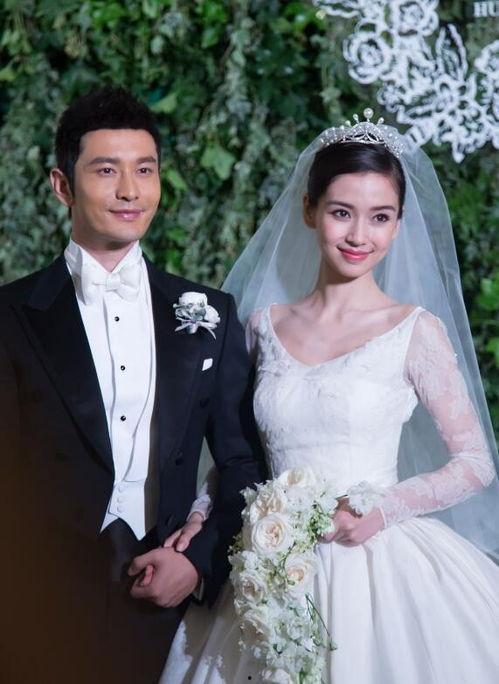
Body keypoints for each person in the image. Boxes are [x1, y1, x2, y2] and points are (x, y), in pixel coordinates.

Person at [160, 111, 499, 683]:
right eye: (342, 212)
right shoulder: (263, 326)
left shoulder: (414, 331)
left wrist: (381, 511)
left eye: (380, 217)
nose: (359, 235)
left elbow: (475, 462)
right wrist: (200, 514)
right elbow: (239, 454)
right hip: (269, 560)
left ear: (398, 225)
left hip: (380, 564)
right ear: (309, 210)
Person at [0, 87, 265, 684]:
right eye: (106, 170)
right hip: (36, 607)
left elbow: (243, 462)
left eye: (144, 170)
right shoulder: (11, 316)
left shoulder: (210, 314)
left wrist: (198, 564)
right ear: (62, 186)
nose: (129, 190)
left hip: (166, 605)